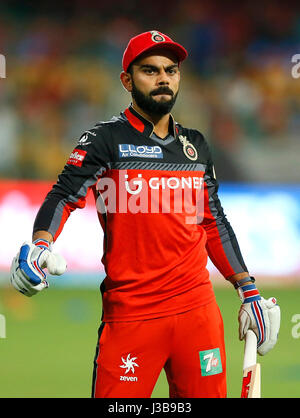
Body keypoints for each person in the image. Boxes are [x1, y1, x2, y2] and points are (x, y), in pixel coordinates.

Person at [10, 30, 280, 398]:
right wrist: (41, 244)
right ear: (127, 80)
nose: (163, 78)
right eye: (150, 70)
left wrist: (248, 289)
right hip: (132, 315)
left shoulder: (195, 146)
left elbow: (213, 220)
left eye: (171, 70)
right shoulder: (104, 140)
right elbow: (64, 194)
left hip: (197, 313)